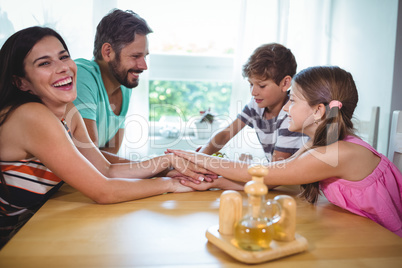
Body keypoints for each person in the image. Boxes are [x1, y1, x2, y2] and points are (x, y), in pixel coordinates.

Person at [0, 26, 215, 248]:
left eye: (64, 56)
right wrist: (170, 183)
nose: (63, 67)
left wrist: (167, 161)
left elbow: (105, 170)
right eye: (45, 63)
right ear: (21, 82)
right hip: (11, 242)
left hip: (34, 229)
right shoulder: (31, 115)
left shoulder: (68, 110)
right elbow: (103, 191)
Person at [168, 66, 402, 237]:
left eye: (294, 100)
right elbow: (272, 178)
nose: (287, 107)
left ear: (319, 110)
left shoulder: (337, 153)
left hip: (385, 243)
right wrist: (215, 182)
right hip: (359, 234)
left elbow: (263, 173)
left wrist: (202, 158)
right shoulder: (321, 145)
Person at [197, 43, 308, 162]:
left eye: (261, 85)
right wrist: (200, 155)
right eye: (251, 84)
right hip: (274, 172)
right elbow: (225, 134)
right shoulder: (256, 106)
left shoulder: (290, 117)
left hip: (291, 176)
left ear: (285, 83)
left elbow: (278, 168)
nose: (253, 92)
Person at [72, 9, 151, 162]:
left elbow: (110, 156)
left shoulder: (124, 85)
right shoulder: (82, 75)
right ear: (108, 52)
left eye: (145, 56)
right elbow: (89, 157)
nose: (143, 66)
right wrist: (159, 167)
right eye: (135, 56)